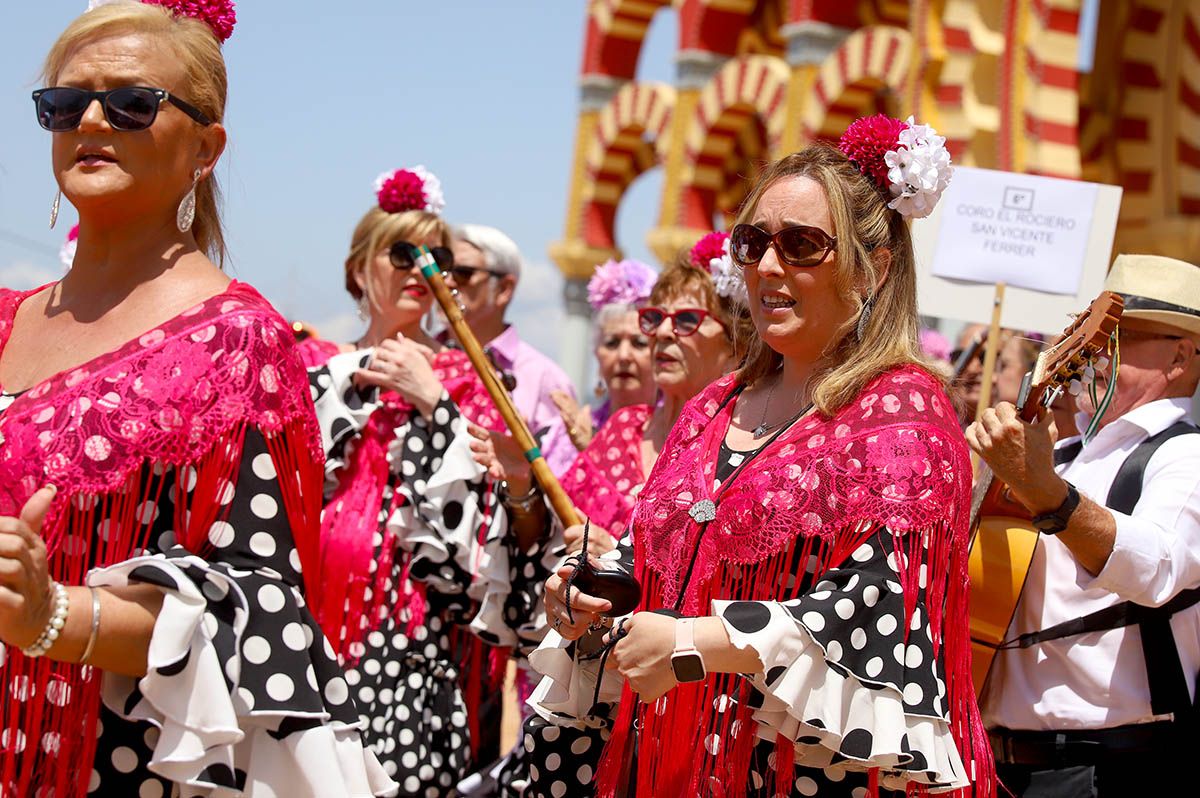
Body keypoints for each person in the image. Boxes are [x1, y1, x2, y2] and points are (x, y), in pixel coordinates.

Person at [528, 116, 992, 797]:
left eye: (802, 246)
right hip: (669, 760)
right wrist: (590, 587)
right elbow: (655, 548)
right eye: (753, 242)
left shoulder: (902, 415)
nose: (768, 267)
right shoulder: (713, 404)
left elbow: (872, 606)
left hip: (801, 773)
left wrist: (695, 644)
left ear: (876, 266)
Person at [0, 2, 393, 795]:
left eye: (132, 103)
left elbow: (255, 612)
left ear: (205, 148)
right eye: (64, 104)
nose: (92, 121)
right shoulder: (6, 318)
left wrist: (49, 615)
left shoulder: (236, 343)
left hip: (99, 757)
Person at [473, 234, 753, 797]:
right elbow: (542, 544)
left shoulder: (742, 450)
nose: (665, 334)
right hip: (592, 689)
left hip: (686, 694)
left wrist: (625, 556)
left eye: (689, 320)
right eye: (656, 318)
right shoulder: (622, 431)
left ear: (737, 339)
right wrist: (527, 493)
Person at [296, 167, 538, 795]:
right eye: (402, 252)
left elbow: (485, 533)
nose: (418, 269)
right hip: (305, 631)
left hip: (411, 645)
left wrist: (434, 404)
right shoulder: (312, 367)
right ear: (360, 269)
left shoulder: (468, 379)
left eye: (435, 258)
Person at [968, 254, 1200, 796]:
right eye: (1098, 333)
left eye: (1122, 334)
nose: (1098, 350)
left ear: (1181, 358)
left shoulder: (1185, 455)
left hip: (1115, 768)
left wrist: (1045, 491)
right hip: (1004, 764)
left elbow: (1158, 569)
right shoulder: (1068, 454)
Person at [447, 225, 580, 475]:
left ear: (504, 289)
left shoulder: (545, 379)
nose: (446, 281)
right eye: (442, 269)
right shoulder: (420, 357)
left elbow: (559, 479)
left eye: (462, 273)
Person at [551, 257, 658, 452]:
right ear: (597, 353)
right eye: (612, 343)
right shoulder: (564, 435)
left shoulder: (677, 435)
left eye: (639, 343)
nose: (623, 355)